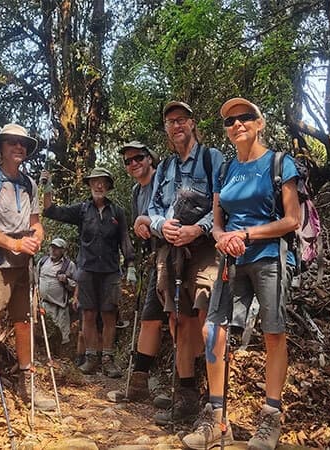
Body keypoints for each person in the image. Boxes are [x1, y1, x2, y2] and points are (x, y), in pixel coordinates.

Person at [181, 98, 300, 450]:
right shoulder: (226, 169)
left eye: (245, 117)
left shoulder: (279, 163)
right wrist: (222, 238)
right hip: (232, 262)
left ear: (260, 123)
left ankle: (270, 417)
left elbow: (292, 220)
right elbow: (217, 224)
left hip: (269, 257)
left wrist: (245, 235)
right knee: (212, 330)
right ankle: (217, 420)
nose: (237, 124)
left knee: (273, 333)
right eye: (230, 121)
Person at [0, 123, 56, 426]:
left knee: (25, 321)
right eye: (12, 143)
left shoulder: (28, 182)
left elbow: (35, 221)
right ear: (1, 146)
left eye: (23, 144)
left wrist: (37, 236)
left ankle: (26, 379)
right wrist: (12, 243)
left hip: (22, 264)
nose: (19, 148)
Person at [149, 101, 224, 425]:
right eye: (170, 122)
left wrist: (199, 228)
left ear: (192, 123)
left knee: (208, 320)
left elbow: (224, 204)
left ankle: (214, 399)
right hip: (171, 251)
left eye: (181, 120)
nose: (176, 125)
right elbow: (153, 208)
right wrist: (159, 226)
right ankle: (187, 397)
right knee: (178, 321)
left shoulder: (212, 159)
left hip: (205, 249)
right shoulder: (164, 167)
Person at [42, 166, 136, 378]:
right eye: (95, 181)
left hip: (111, 270)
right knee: (89, 313)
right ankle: (92, 358)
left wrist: (130, 264)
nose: (99, 185)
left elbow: (124, 239)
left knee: (109, 314)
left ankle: (108, 359)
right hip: (87, 269)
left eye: (103, 181)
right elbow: (51, 211)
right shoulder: (82, 209)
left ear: (108, 186)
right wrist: (47, 188)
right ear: (90, 184)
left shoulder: (117, 212)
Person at [108, 141, 166, 402]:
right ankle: (139, 383)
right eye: (128, 161)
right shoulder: (135, 191)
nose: (133, 164)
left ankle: (182, 387)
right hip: (153, 258)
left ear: (150, 158)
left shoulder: (163, 181)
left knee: (178, 320)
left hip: (173, 252)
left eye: (138, 158)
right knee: (149, 318)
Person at [36, 237, 77, 345]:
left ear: (63, 250)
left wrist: (66, 280)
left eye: (57, 248)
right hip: (43, 305)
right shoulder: (42, 261)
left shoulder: (69, 265)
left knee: (64, 338)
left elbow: (77, 285)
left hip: (60, 307)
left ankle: (63, 356)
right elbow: (35, 280)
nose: (53, 250)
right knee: (44, 335)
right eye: (52, 247)